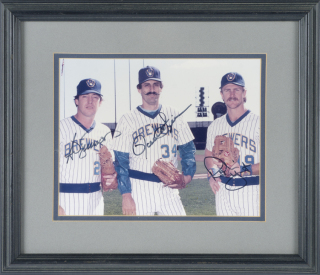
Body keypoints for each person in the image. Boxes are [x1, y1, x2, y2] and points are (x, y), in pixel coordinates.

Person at [113, 66, 196, 216]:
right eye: (147, 85)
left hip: (169, 189)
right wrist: (126, 195)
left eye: (155, 84)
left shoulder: (174, 114)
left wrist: (187, 176)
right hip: (139, 189)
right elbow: (120, 162)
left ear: (161, 88)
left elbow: (188, 148)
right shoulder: (127, 119)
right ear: (139, 89)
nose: (152, 89)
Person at [205, 72, 260, 216]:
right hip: (223, 192)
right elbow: (209, 156)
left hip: (252, 191)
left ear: (244, 93)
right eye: (227, 90)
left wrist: (244, 169)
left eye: (236, 89)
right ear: (221, 94)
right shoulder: (214, 126)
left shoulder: (260, 123)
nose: (232, 94)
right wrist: (212, 176)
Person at [59, 78, 116, 215]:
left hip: (96, 200)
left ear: (100, 102)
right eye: (85, 96)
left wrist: (113, 177)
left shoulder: (105, 131)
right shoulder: (59, 127)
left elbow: (109, 169)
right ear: (76, 101)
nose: (90, 101)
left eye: (95, 97)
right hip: (65, 199)